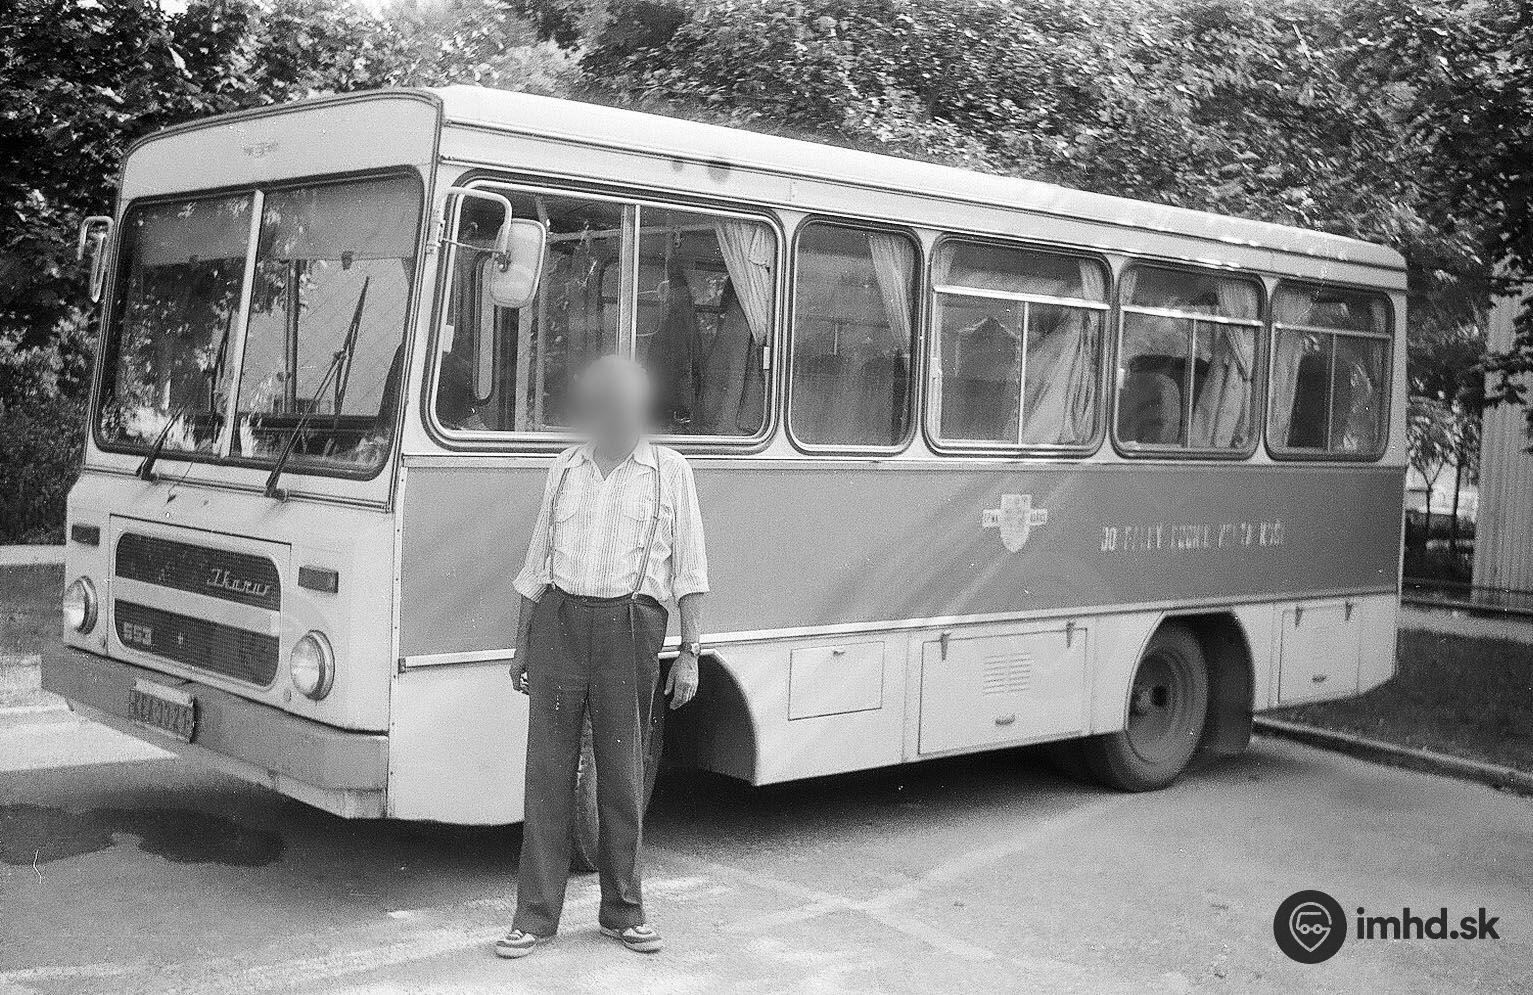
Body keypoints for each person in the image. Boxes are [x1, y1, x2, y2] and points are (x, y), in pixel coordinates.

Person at [496, 355, 709, 959]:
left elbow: (691, 571)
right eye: (605, 404)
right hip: (560, 623)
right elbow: (537, 564)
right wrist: (523, 644)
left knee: (622, 774)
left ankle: (624, 912)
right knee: (547, 776)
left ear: (639, 408)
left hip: (630, 627)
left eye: (624, 404)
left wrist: (690, 653)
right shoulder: (566, 468)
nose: (614, 415)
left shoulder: (671, 472)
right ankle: (534, 918)